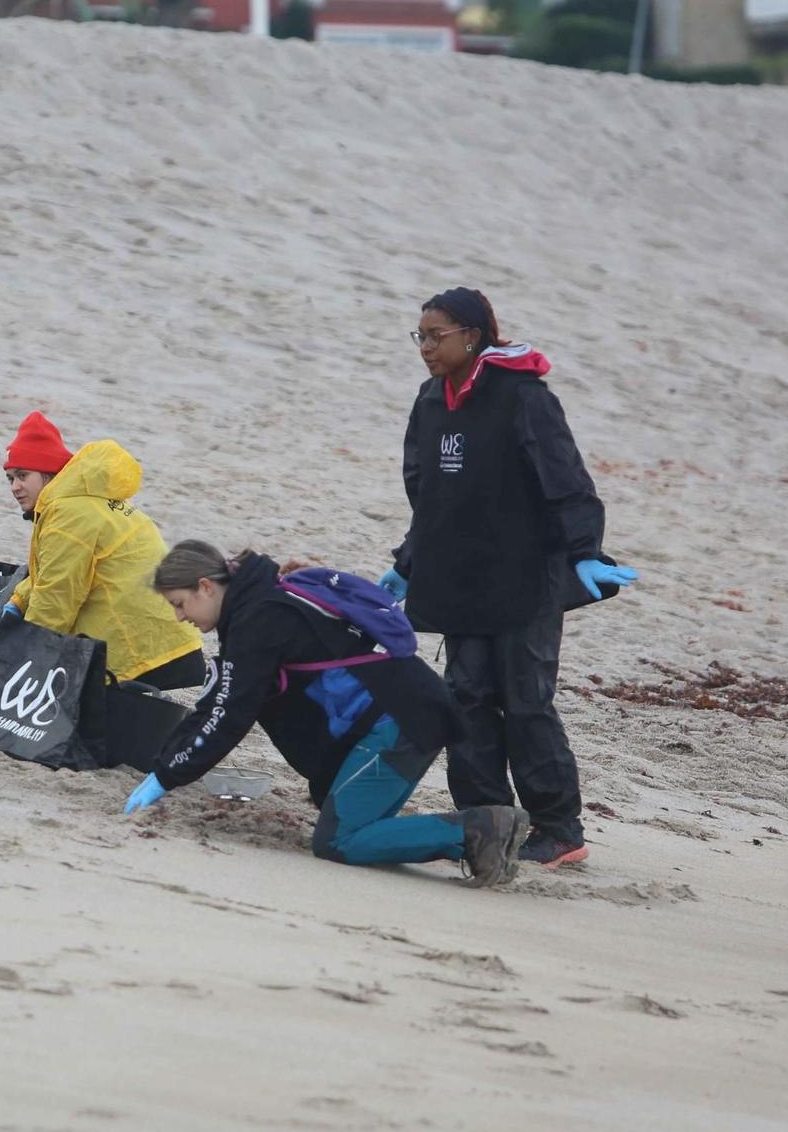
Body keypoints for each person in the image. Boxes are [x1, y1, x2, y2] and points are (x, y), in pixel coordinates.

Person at [379, 288, 638, 868]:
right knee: (464, 700)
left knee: (525, 702)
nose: (424, 346)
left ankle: (558, 830)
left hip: (525, 580)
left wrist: (584, 551)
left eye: (434, 335)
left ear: (471, 335)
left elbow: (566, 480)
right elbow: (428, 496)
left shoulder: (525, 399)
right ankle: (487, 820)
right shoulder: (429, 401)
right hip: (458, 580)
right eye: (418, 335)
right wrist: (407, 563)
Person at [121, 542, 530, 888]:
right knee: (342, 815)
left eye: (179, 603)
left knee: (339, 842)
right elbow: (219, 700)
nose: (180, 617)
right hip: (405, 712)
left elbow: (229, 715)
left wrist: (167, 776)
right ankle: (482, 834)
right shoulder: (260, 601)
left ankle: (477, 830)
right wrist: (165, 767)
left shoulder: (257, 621)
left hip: (399, 722)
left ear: (205, 587)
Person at [0, 411, 205, 690]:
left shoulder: (67, 514)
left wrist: (25, 663)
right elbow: (54, 571)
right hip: (173, 639)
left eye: (23, 475)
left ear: (48, 474)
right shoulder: (83, 501)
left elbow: (57, 596)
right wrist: (19, 600)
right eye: (10, 478)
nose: (15, 487)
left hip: (144, 653)